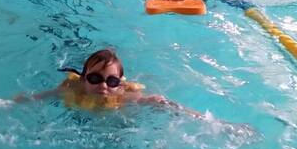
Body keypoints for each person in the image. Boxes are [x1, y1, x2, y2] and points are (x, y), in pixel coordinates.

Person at [14, 48, 203, 116]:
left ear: (119, 84)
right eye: (95, 78)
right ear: (83, 79)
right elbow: (43, 96)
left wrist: (195, 115)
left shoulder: (124, 96)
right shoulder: (72, 88)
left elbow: (157, 101)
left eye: (111, 81)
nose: (103, 86)